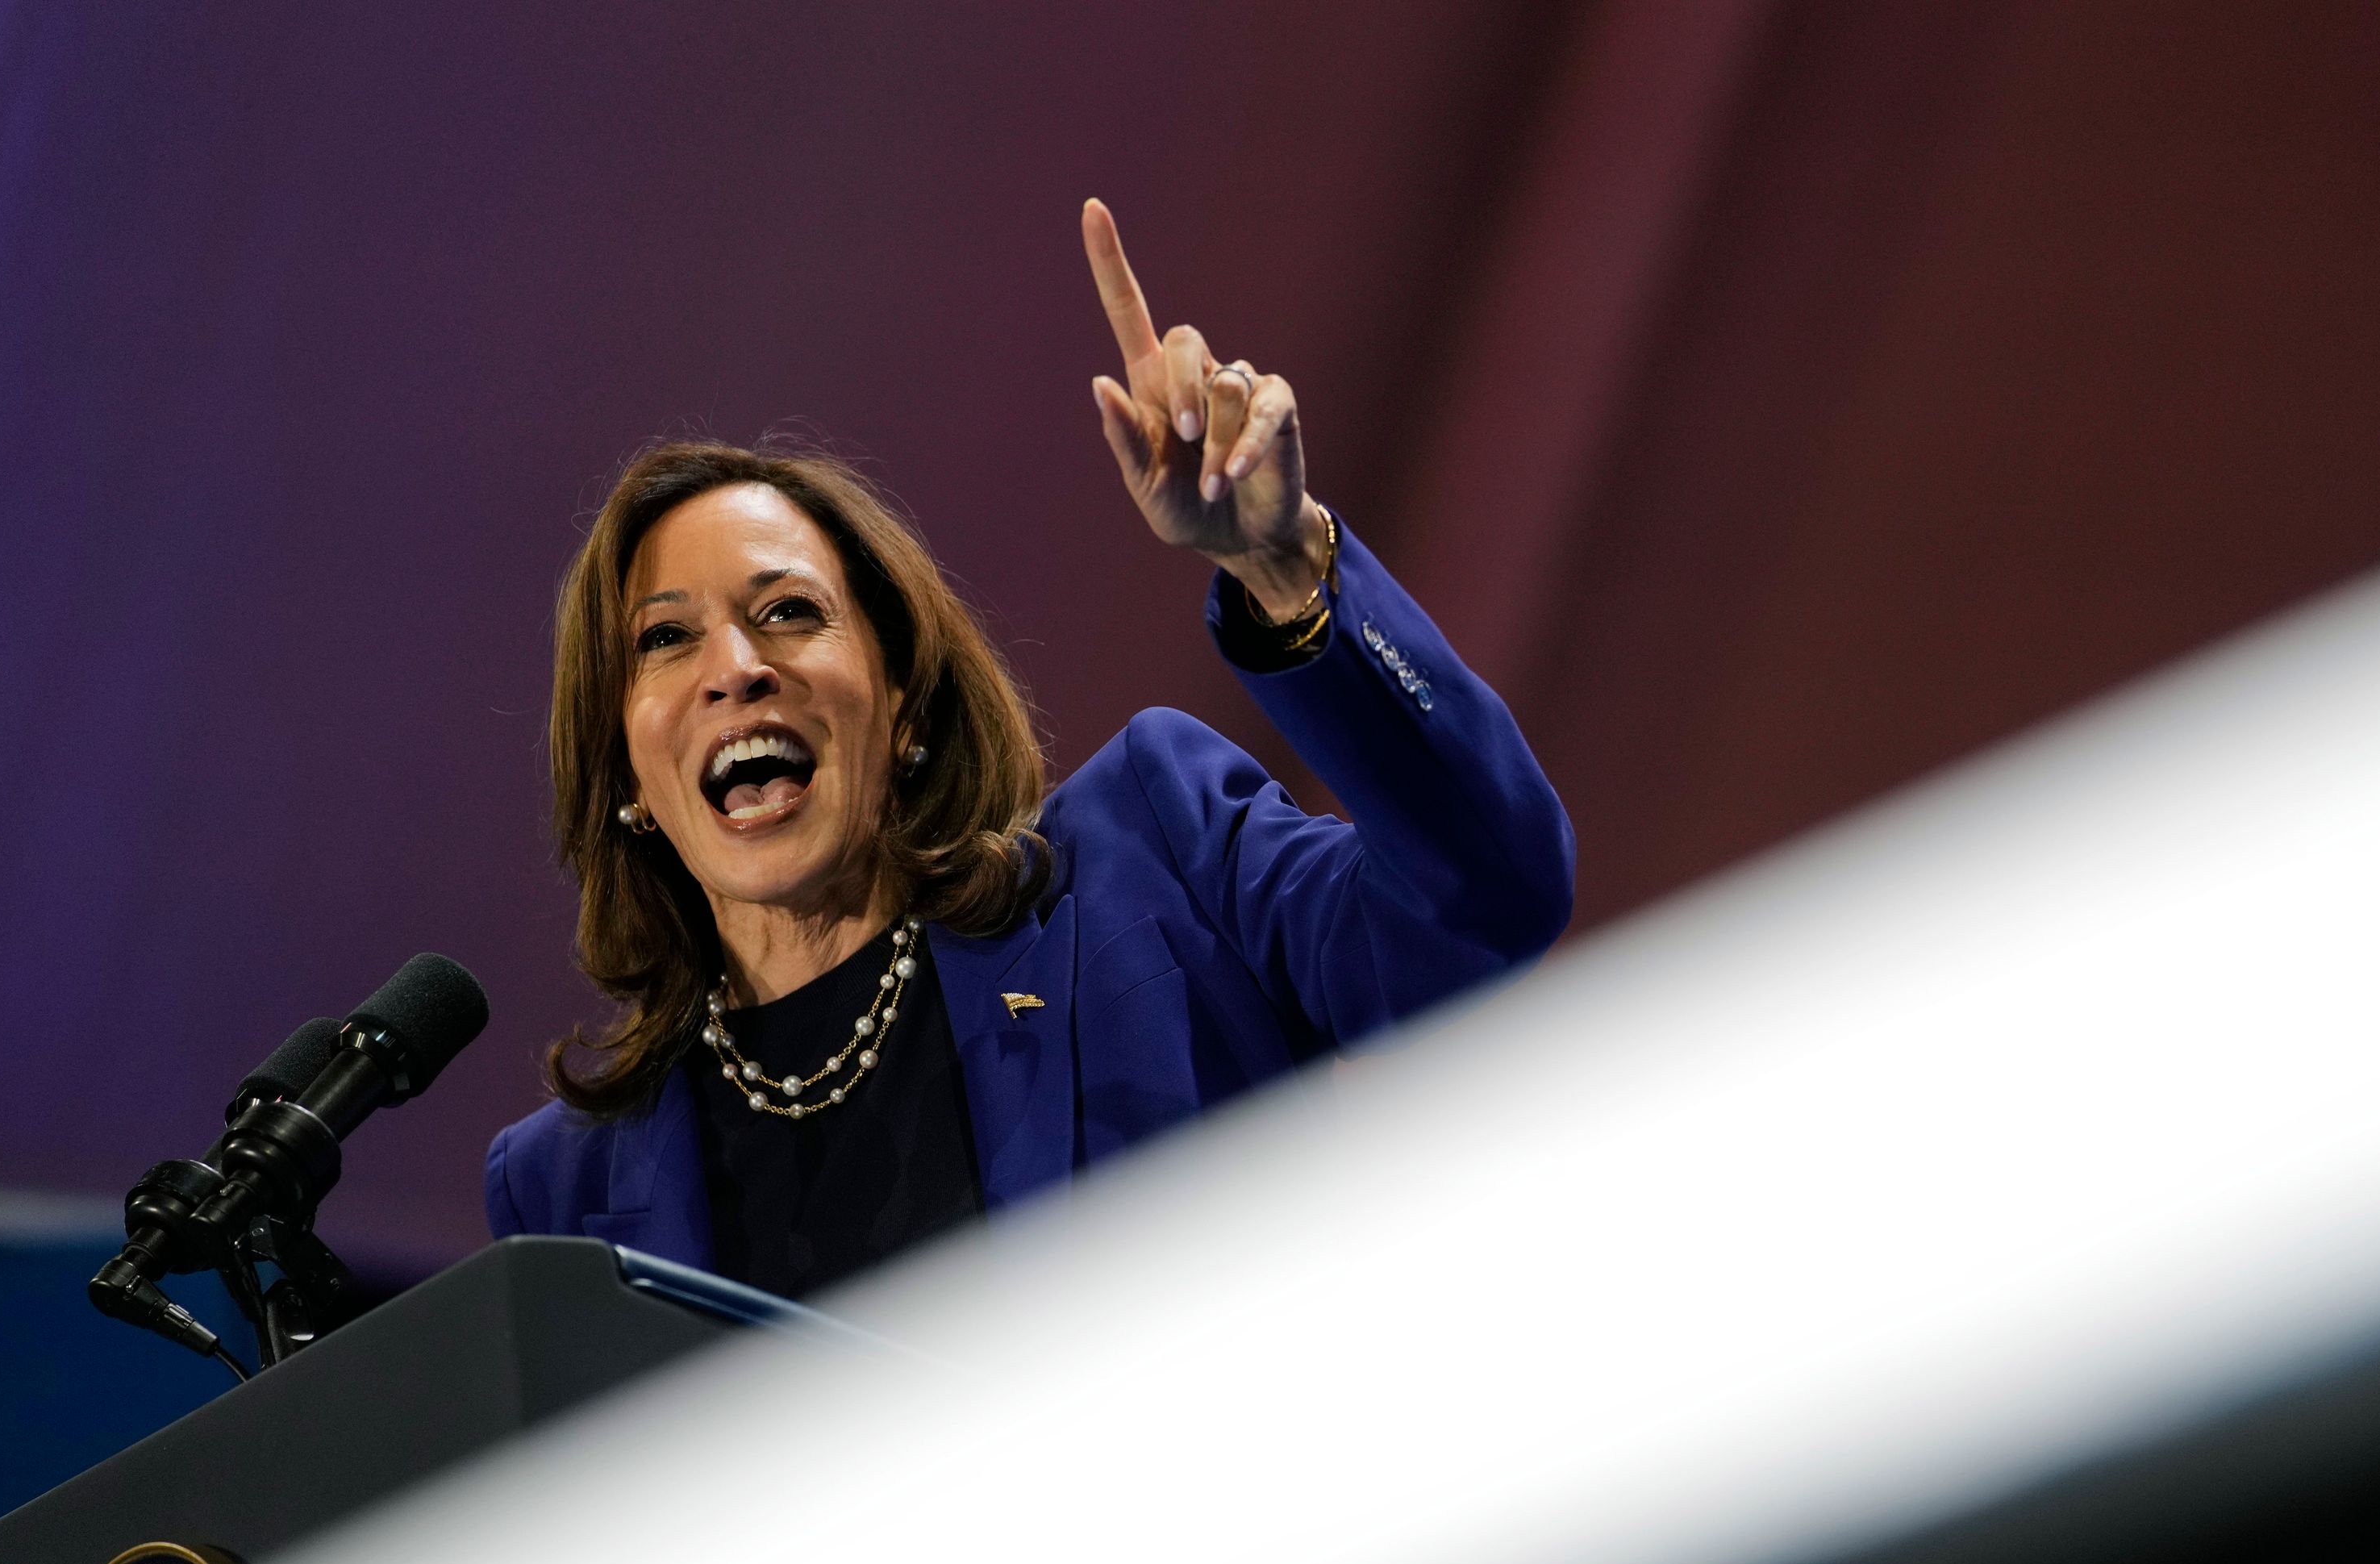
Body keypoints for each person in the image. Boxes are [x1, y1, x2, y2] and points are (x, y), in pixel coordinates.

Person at [483, 201, 1574, 1296]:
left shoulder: (1155, 858)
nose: (733, 666)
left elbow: (1484, 902)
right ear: (627, 770)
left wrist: (1286, 569)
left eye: (789, 613)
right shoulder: (564, 1191)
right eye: (664, 640)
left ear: (903, 700)